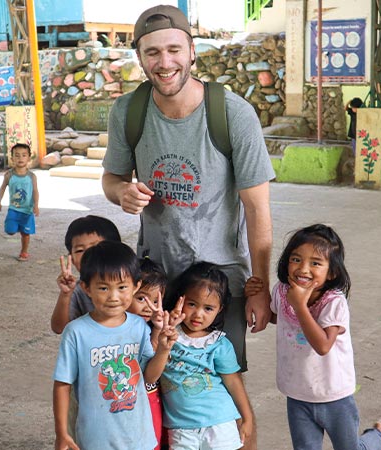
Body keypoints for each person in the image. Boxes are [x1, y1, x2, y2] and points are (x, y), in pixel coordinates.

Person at [101, 4, 276, 377]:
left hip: (219, 285)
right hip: (154, 284)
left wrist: (260, 286)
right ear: (140, 58)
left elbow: (258, 210)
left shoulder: (233, 114)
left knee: (221, 394)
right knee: (156, 385)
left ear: (192, 51)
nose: (165, 62)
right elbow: (111, 179)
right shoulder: (127, 111)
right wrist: (122, 193)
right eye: (153, 52)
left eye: (174, 50)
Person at [246, 224, 381, 450]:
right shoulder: (283, 292)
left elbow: (323, 345)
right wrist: (254, 294)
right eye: (296, 259)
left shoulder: (334, 302)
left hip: (335, 395)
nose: (303, 269)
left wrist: (300, 306)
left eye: (315, 263)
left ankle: (378, 437)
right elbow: (279, 317)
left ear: (332, 272)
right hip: (297, 393)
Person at [52, 241, 178, 450]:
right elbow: (62, 385)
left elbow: (149, 377)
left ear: (135, 287)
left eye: (122, 287)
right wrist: (61, 433)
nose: (113, 297)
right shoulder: (76, 332)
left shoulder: (139, 326)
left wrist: (164, 350)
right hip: (95, 440)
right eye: (103, 288)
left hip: (139, 437)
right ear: (86, 288)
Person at [159, 262, 254, 450]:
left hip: (219, 423)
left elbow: (234, 382)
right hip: (181, 428)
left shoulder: (219, 343)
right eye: (192, 304)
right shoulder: (166, 335)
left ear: (219, 309)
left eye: (208, 308)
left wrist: (247, 418)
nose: (198, 314)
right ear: (180, 299)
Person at [51, 215, 122, 334]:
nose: (88, 255)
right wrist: (65, 294)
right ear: (72, 259)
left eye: (96, 247)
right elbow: (59, 328)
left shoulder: (130, 282)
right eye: (80, 250)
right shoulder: (77, 290)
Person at [127, 258, 169, 450]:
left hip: (150, 398)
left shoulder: (149, 328)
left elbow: (151, 367)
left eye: (155, 301)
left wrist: (158, 329)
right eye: (141, 298)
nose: (149, 307)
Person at [0, 143, 39, 261]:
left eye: (24, 155)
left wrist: (36, 205)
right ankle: (15, 226)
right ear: (12, 158)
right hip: (14, 209)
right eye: (17, 155)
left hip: (27, 210)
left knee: (25, 233)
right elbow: (2, 187)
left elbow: (35, 191)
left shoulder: (32, 176)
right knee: (10, 230)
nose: (20, 158)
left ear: (29, 158)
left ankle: (24, 252)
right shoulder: (9, 175)